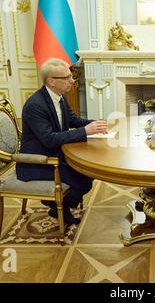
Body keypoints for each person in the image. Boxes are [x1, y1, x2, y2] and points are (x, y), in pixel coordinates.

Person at [16, 58, 108, 225]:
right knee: (83, 181)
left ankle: (57, 204)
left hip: (55, 155)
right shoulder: (35, 105)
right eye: (67, 78)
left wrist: (96, 124)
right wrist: (85, 131)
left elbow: (73, 120)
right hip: (37, 162)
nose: (72, 81)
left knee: (87, 172)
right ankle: (56, 206)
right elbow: (49, 139)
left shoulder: (59, 96)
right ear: (51, 81)